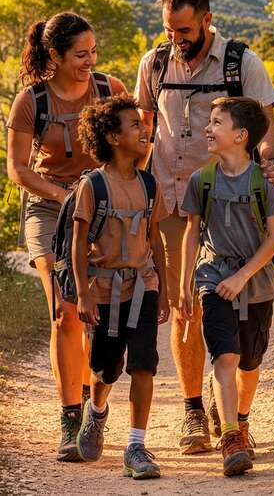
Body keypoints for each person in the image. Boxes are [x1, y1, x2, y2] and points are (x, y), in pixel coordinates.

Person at [133, 0, 274, 454]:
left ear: (206, 18)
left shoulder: (242, 62)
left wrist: (270, 165)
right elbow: (142, 128)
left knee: (238, 310)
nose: (176, 37)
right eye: (169, 29)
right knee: (186, 307)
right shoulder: (154, 63)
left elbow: (268, 127)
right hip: (173, 201)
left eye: (184, 29)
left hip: (231, 202)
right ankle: (194, 411)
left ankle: (233, 415)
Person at [5, 11, 126, 461]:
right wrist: (64, 192)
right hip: (49, 210)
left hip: (104, 209)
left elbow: (133, 145)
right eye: (80, 54)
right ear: (54, 55)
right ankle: (70, 418)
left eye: (94, 51)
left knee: (96, 314)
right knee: (65, 312)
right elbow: (17, 169)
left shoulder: (108, 90)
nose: (90, 60)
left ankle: (94, 401)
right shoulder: (31, 101)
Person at [177, 97, 274, 477]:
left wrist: (242, 277)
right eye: (209, 122)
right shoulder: (200, 180)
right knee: (225, 357)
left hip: (256, 284)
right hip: (213, 278)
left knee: (250, 363)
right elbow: (192, 233)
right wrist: (185, 285)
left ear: (240, 136)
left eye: (217, 122)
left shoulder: (264, 182)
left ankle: (241, 419)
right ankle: (231, 439)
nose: (208, 128)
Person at [70, 94, 169, 479]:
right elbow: (79, 243)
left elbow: (155, 237)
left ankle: (136, 445)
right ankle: (95, 412)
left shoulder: (148, 184)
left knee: (144, 363)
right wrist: (81, 293)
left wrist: (165, 288)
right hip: (103, 291)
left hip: (143, 287)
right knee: (106, 370)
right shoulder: (93, 186)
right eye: (133, 126)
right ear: (112, 137)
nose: (143, 131)